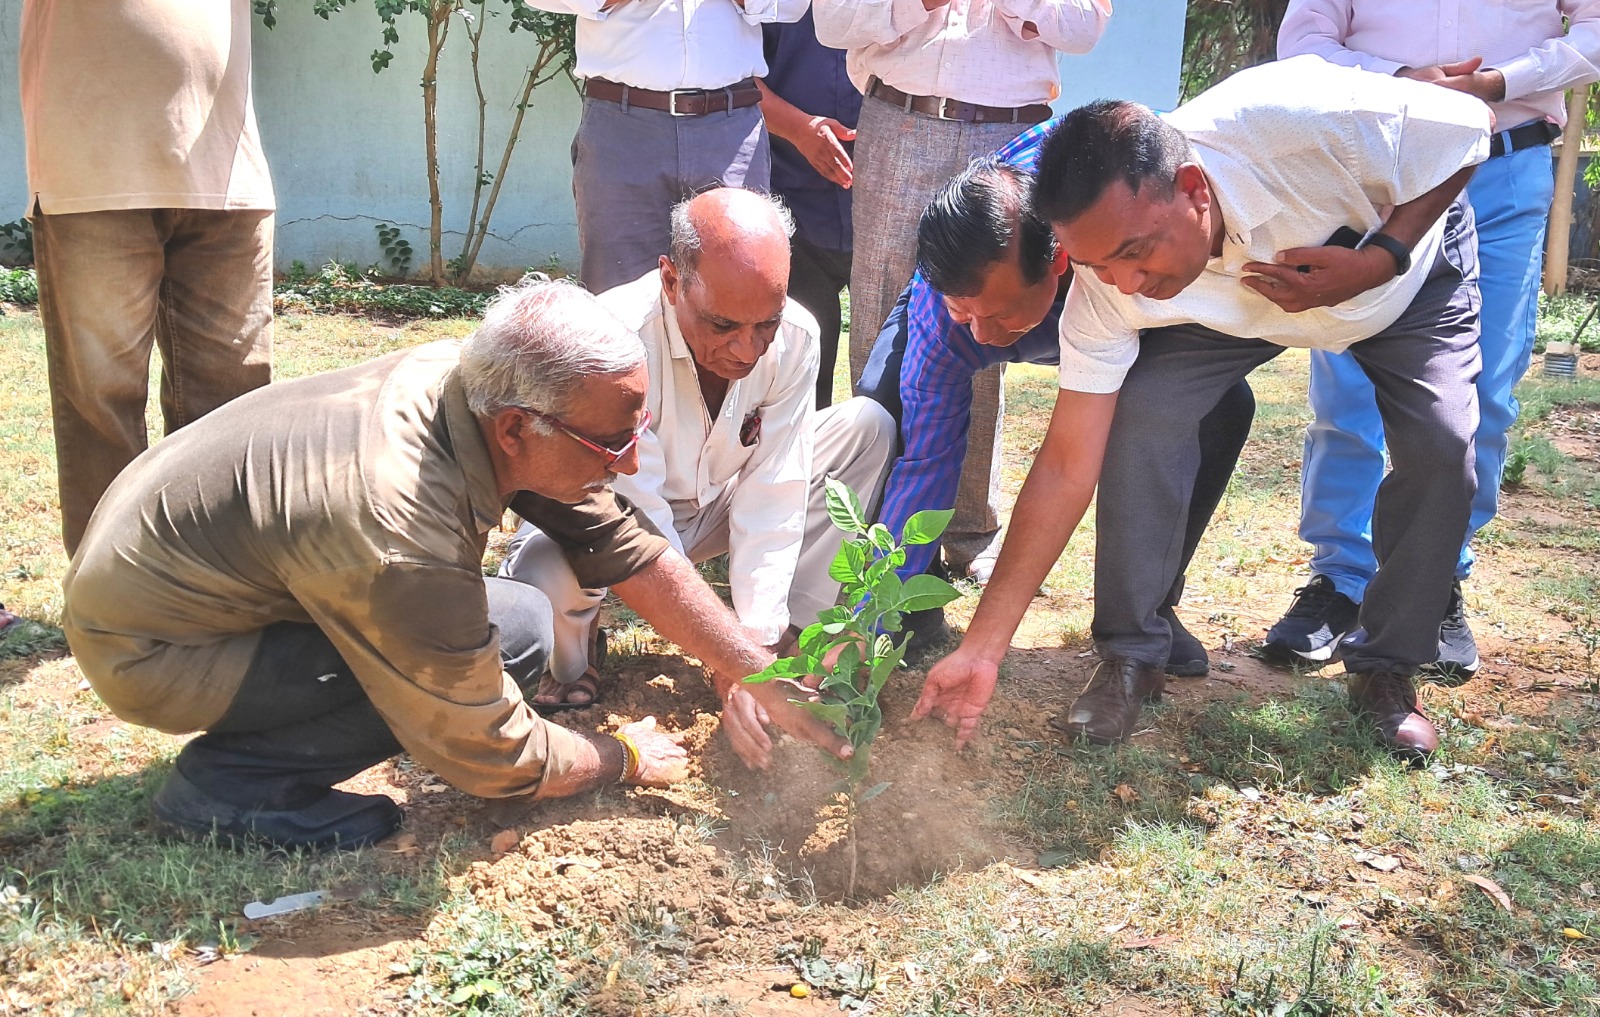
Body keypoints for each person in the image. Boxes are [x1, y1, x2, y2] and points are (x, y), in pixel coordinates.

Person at [61, 280, 852, 853]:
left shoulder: (476, 381)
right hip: (154, 650)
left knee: (513, 620)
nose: (633, 458)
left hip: (201, 583)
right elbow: (488, 750)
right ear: (517, 429)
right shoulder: (402, 526)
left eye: (636, 426)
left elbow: (624, 545)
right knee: (481, 644)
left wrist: (754, 669)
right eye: (616, 442)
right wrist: (623, 757)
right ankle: (232, 785)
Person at [913, 58, 1492, 760]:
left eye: (1134, 251)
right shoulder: (1114, 280)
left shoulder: (1300, 118)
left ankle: (1387, 670)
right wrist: (983, 647)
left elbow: (1472, 127)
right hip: (1239, 305)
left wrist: (1383, 257)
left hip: (1401, 283)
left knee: (1443, 445)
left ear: (1191, 189)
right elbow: (1067, 462)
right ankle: (1131, 654)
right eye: (1099, 266)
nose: (1125, 283)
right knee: (1147, 409)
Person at [1270, 0, 1600, 675]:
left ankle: (1435, 580)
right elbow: (1304, 43)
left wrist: (1503, 81)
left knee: (1486, 394)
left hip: (1505, 166)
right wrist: (1396, 77)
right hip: (1379, 167)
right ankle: (1341, 580)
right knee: (1349, 385)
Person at [859, 145, 1255, 668]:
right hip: (968, 303)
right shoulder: (947, 319)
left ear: (1060, 262)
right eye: (965, 311)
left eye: (998, 315)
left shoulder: (1122, 239)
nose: (983, 336)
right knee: (881, 418)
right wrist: (869, 618)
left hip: (1122, 316)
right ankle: (897, 597)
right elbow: (926, 461)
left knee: (1213, 409)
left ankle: (1152, 604)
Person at [501, 190, 895, 708]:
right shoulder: (613, 339)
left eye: (766, 324)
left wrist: (755, 642)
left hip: (710, 506)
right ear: (671, 280)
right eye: (723, 326)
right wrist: (724, 652)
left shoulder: (797, 335)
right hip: (602, 519)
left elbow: (775, 486)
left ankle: (793, 631)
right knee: (547, 573)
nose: (747, 350)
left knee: (867, 425)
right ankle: (578, 648)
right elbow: (632, 510)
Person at [813, 0, 1110, 583]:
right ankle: (874, 534)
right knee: (888, 318)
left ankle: (968, 531)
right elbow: (832, 21)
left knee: (988, 328)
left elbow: (1085, 26)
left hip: (1011, 121)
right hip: (899, 118)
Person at [21, 0, 275, 556]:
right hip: (90, 170)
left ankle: (225, 590)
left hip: (228, 173)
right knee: (102, 404)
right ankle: (111, 598)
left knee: (236, 403)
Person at [525, 0, 802, 291]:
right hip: (624, 128)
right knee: (616, 294)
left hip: (730, 130)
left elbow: (793, 7)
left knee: (738, 285)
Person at [759, 12, 862, 407]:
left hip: (884, 202)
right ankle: (804, 468)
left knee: (890, 366)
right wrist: (800, 129)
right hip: (789, 200)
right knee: (799, 362)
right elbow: (735, 75)